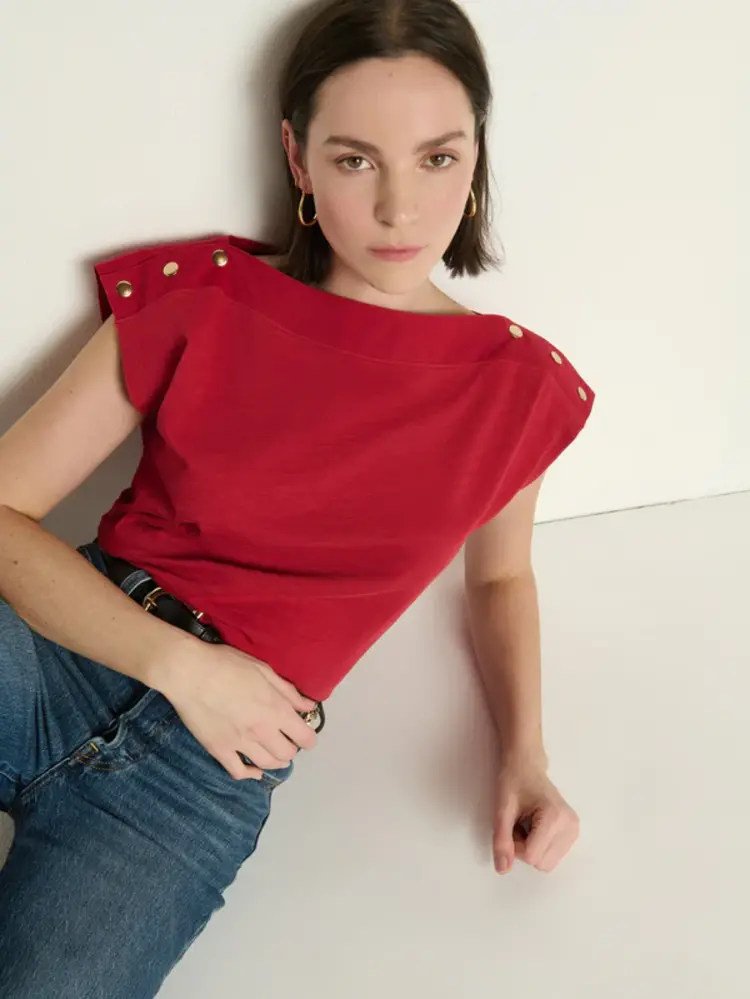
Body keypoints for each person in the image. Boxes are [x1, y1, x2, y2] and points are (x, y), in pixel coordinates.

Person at [0, 0, 595, 994]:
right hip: (50, 651)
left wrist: (525, 757)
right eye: (357, 160)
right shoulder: (203, 296)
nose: (400, 209)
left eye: (438, 159)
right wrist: (182, 665)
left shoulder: (520, 388)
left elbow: (499, 580)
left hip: (197, 778)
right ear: (298, 157)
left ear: (476, 158)